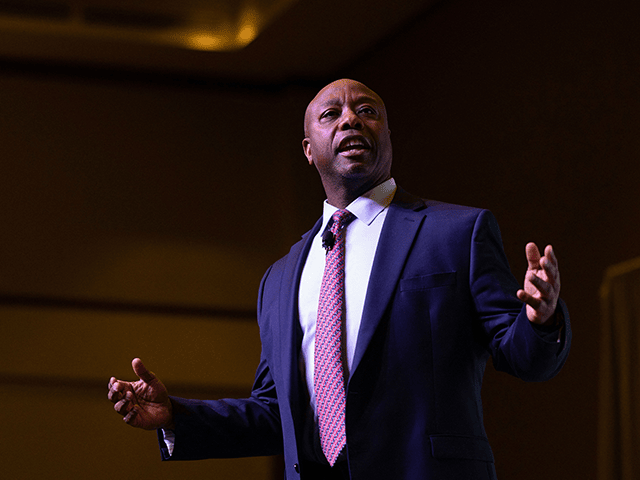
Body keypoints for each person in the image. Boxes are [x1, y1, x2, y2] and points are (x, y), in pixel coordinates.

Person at [108, 79, 571, 480]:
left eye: (367, 111)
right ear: (309, 149)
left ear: (388, 134)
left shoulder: (456, 233)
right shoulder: (280, 277)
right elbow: (277, 413)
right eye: (332, 114)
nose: (351, 120)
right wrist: (177, 417)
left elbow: (523, 356)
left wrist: (541, 318)